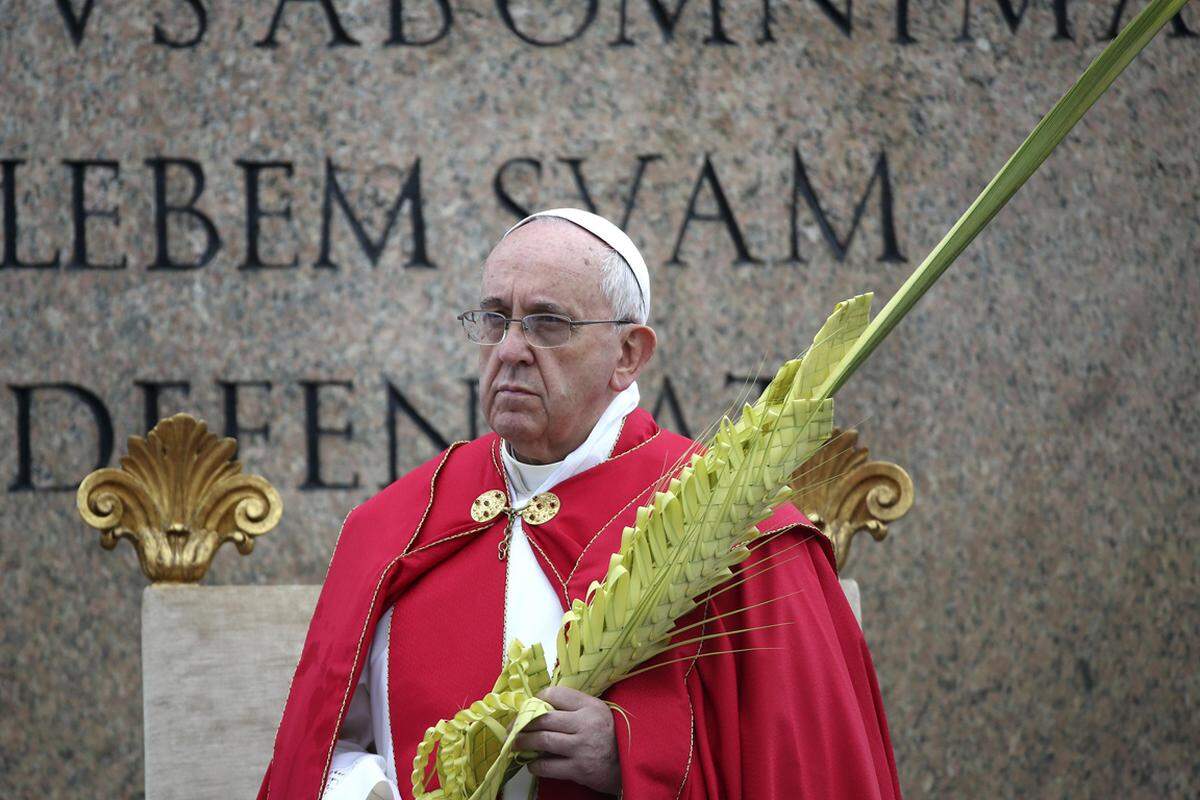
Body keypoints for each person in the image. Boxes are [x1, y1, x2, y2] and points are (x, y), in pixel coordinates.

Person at [257, 208, 902, 800]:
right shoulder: (393, 528)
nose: (509, 349)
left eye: (547, 323)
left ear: (628, 354)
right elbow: (321, 753)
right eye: (494, 318)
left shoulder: (734, 521)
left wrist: (633, 756)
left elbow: (805, 769)